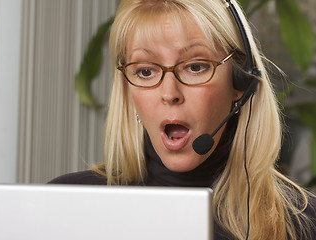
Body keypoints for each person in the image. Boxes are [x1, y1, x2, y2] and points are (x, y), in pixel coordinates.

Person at [49, 0, 316, 239]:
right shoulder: (61, 206)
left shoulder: (304, 223)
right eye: (145, 71)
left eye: (195, 67)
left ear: (240, 81)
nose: (169, 93)